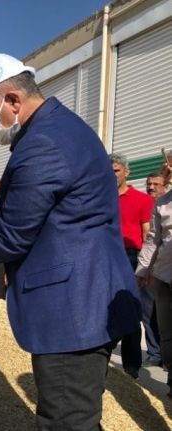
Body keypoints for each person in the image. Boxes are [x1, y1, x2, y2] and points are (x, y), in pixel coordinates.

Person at [0, 53, 140, 429]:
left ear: (13, 100)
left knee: (65, 422)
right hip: (86, 303)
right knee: (78, 418)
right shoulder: (61, 128)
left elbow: (13, 238)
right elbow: (31, 216)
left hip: (73, 312)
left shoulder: (42, 145)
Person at [111, 153, 153, 379]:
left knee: (131, 311)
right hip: (105, 257)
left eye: (116, 170)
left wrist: (147, 267)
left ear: (127, 172)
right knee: (103, 309)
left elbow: (148, 233)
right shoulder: (101, 197)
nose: (112, 174)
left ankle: (131, 366)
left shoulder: (142, 200)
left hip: (130, 257)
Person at [137, 161, 172, 397]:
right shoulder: (162, 204)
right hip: (164, 277)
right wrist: (142, 271)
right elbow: (152, 240)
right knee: (167, 334)